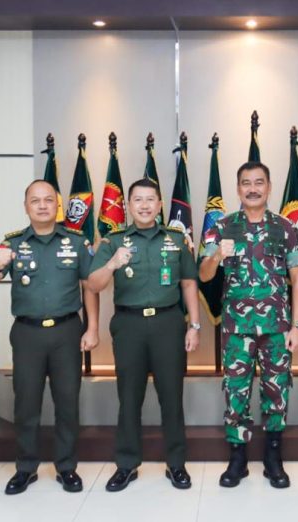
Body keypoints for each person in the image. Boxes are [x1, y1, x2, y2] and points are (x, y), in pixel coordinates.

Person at [0, 180, 99, 495]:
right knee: (26, 402)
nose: (42, 205)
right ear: (26, 206)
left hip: (66, 330)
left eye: (48, 200)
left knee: (67, 401)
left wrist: (92, 328)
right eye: (35, 201)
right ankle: (26, 468)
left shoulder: (76, 242)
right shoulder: (12, 243)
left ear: (57, 206)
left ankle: (66, 467)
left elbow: (90, 286)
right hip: (27, 332)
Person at [88, 178, 200, 492]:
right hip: (129, 325)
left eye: (151, 199)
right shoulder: (113, 241)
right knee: (129, 397)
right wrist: (112, 264)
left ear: (160, 205)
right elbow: (94, 285)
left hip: (168, 323)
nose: (145, 205)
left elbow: (189, 283)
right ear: (128, 205)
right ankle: (126, 465)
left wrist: (194, 325)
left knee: (171, 397)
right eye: (138, 200)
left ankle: (176, 464)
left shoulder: (176, 239)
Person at [199, 161, 298, 489]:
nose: (253, 188)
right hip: (236, 329)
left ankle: (273, 458)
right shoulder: (222, 227)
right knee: (236, 393)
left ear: (269, 187)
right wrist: (216, 256)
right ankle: (238, 460)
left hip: (276, 329)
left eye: (259, 182)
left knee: (277, 392)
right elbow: (204, 275)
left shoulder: (285, 228)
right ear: (238, 189)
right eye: (246, 183)